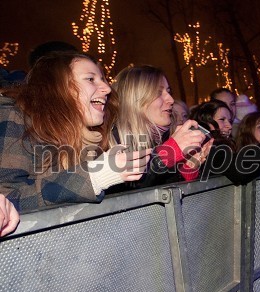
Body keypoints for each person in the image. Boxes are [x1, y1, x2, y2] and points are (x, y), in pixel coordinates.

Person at [0, 52, 150, 212]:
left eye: (103, 79)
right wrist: (94, 176)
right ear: (57, 86)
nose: (107, 88)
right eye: (91, 79)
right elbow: (8, 199)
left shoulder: (94, 137)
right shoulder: (16, 118)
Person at [110, 65, 208, 189]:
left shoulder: (167, 137)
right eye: (158, 93)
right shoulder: (110, 141)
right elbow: (125, 196)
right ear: (133, 99)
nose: (171, 99)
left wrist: (187, 170)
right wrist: (167, 154)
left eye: (168, 91)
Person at [190, 100, 260, 184]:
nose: (229, 126)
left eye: (230, 120)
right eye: (222, 120)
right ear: (205, 122)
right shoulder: (207, 147)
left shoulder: (230, 147)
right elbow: (239, 169)